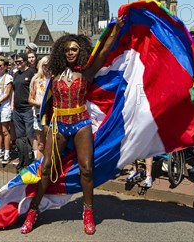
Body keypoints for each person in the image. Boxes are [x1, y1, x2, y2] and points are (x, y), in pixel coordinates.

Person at [21, 16, 124, 235]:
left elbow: (104, 51)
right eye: (67, 49)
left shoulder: (86, 72)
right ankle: (33, 211)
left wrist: (116, 29)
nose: (70, 52)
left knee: (87, 169)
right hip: (58, 126)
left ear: (81, 51)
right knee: (47, 168)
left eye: (75, 49)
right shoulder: (54, 73)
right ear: (61, 52)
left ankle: (88, 212)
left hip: (81, 124)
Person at [12, 53, 36, 170]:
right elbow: (14, 90)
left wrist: (33, 105)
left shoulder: (31, 72)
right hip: (17, 109)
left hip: (28, 108)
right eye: (16, 62)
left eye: (20, 61)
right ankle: (23, 159)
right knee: (20, 136)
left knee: (31, 134)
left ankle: (36, 158)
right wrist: (12, 105)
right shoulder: (16, 74)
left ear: (26, 61)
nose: (18, 64)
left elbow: (35, 88)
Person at [29, 56, 51, 160]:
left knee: (51, 145)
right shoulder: (36, 80)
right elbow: (30, 99)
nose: (47, 67)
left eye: (50, 64)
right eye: (45, 65)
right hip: (39, 115)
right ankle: (38, 170)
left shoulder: (54, 79)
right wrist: (41, 104)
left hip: (51, 116)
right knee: (41, 145)